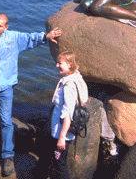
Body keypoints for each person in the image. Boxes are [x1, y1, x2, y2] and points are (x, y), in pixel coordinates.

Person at [0, 13, 62, 177]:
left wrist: (46, 36)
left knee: (6, 121)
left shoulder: (14, 38)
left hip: (5, 87)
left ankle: (7, 155)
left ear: (6, 27)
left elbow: (30, 38)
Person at [50, 50, 88, 179]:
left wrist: (61, 138)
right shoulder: (76, 76)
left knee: (59, 166)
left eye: (60, 63)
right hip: (67, 132)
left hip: (62, 133)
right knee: (59, 163)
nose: (57, 65)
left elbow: (68, 114)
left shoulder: (68, 86)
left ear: (70, 65)